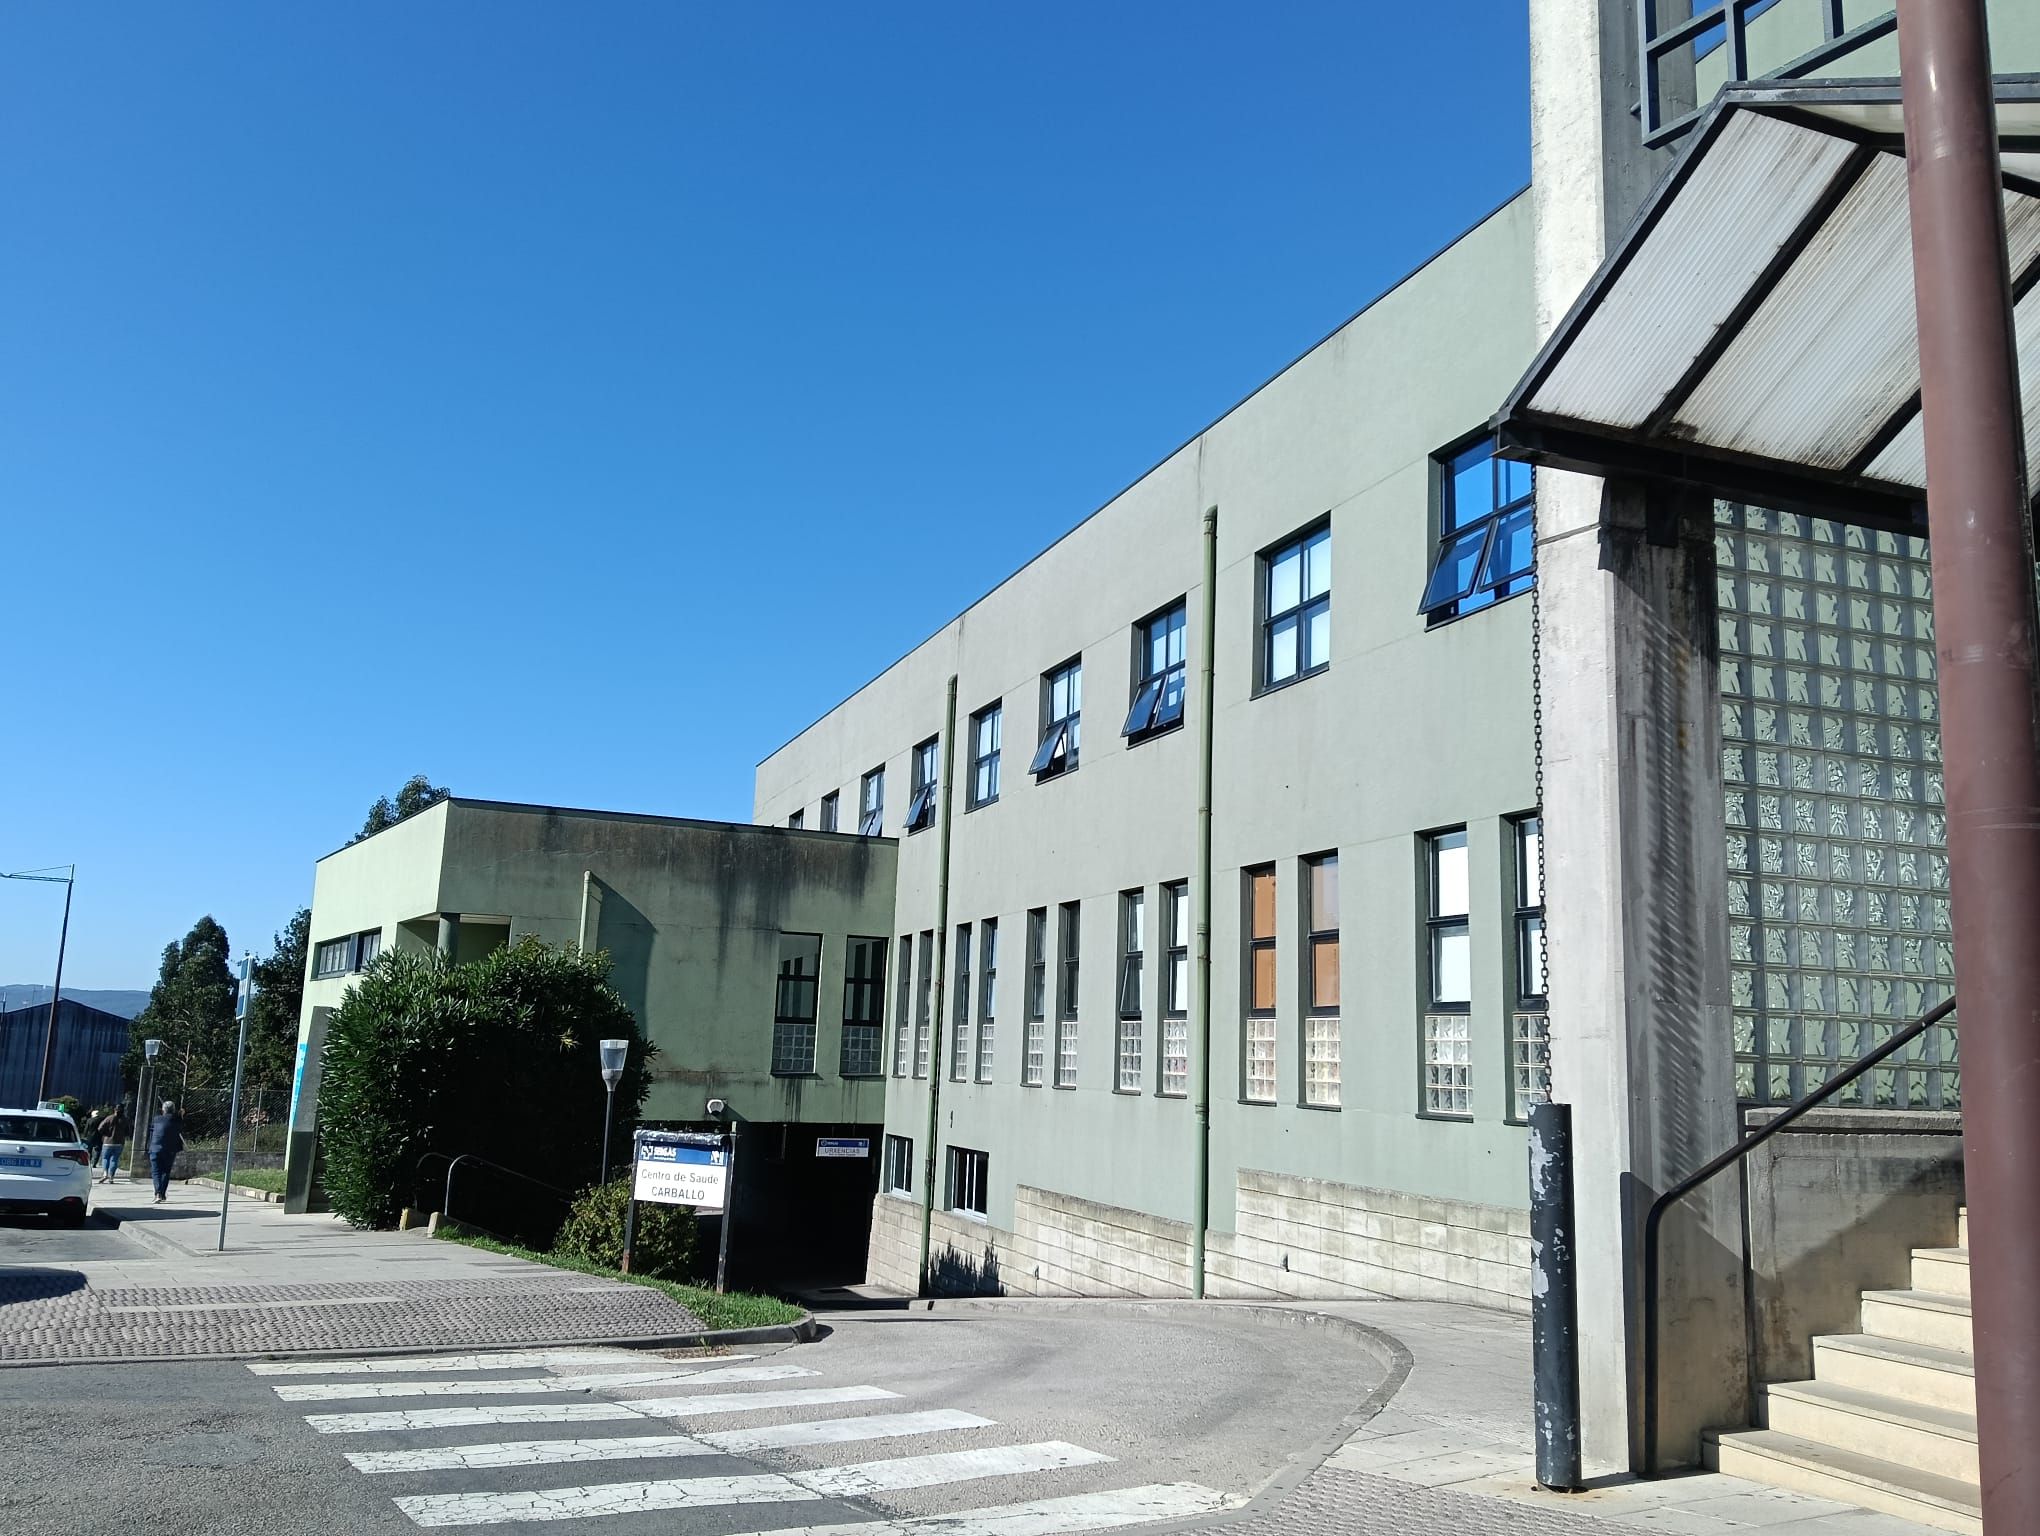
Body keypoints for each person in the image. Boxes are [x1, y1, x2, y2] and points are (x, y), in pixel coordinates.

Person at [147, 1100, 183, 1204]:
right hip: (170, 1150)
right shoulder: (176, 1120)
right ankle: (161, 1194)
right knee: (165, 1172)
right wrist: (180, 1114)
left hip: (155, 1148)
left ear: (163, 1110)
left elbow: (151, 1132)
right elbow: (179, 1125)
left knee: (156, 1172)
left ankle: (158, 1193)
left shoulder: (156, 1119)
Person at [94, 1104, 130, 1183]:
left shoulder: (109, 1118)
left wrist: (105, 1133)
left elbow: (100, 1128)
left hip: (108, 1141)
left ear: (115, 1109)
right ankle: (111, 1176)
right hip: (119, 1142)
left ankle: (105, 1173)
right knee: (114, 1159)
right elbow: (128, 1132)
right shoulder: (125, 1120)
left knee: (105, 1158)